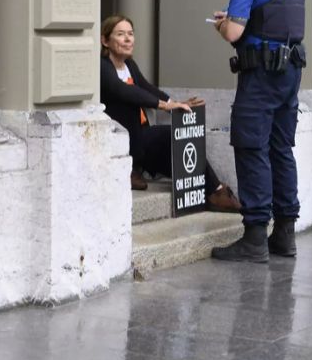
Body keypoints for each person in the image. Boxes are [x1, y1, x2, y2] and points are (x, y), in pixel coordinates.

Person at [209, 0, 307, 263]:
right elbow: (272, 21)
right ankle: (285, 234)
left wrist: (223, 25)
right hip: (290, 72)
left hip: (261, 76)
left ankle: (254, 238)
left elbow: (235, 33)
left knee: (252, 147)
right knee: (281, 149)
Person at [99, 15, 241, 213]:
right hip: (120, 140)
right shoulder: (102, 67)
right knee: (167, 133)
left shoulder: (129, 66)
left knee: (179, 146)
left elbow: (147, 88)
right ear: (105, 41)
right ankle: (131, 168)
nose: (128, 39)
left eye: (130, 34)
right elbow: (124, 91)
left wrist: (175, 103)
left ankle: (211, 191)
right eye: (120, 34)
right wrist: (164, 106)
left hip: (138, 137)